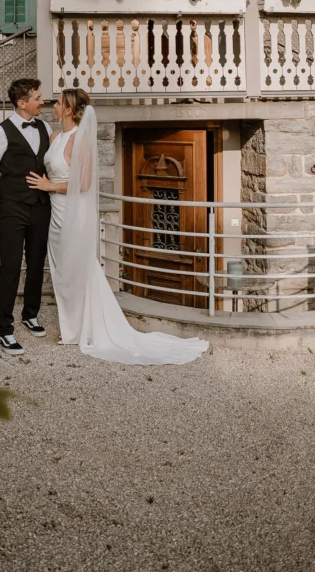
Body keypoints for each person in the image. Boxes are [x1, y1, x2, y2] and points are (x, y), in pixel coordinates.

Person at [26, 88, 209, 365]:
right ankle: (72, 326)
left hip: (74, 215)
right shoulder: (54, 137)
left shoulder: (80, 142)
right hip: (55, 214)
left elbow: (84, 183)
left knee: (79, 269)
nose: (53, 105)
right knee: (62, 271)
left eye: (59, 102)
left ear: (68, 109)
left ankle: (83, 330)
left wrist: (50, 185)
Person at [0, 78, 52, 355]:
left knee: (36, 264)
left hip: (41, 206)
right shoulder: (1, 132)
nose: (43, 101)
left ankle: (30, 314)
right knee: (10, 266)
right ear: (22, 103)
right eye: (38, 98)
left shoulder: (45, 126)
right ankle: (4, 329)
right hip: (12, 208)